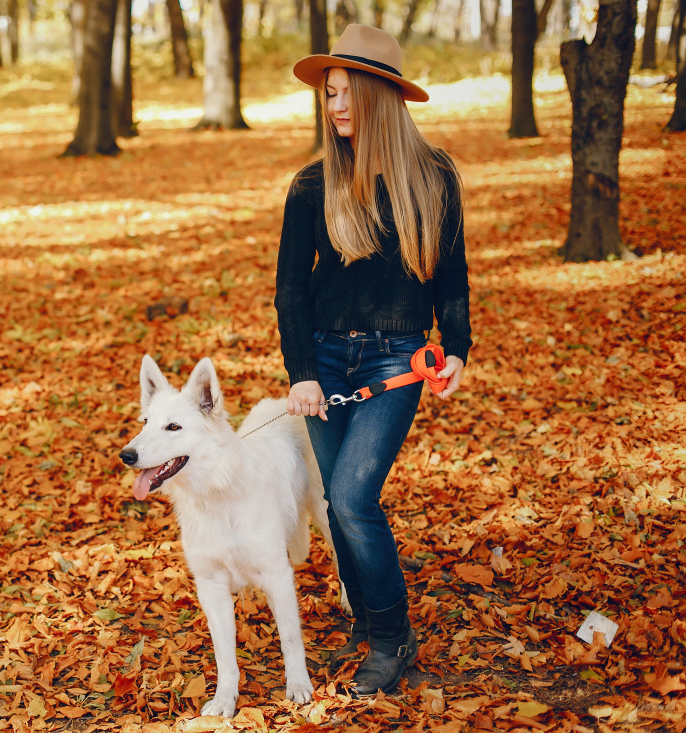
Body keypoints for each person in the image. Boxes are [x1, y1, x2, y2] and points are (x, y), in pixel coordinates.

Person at [274, 24, 472, 698]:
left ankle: (393, 637)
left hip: (396, 359)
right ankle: (368, 621)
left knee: (356, 495)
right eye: (329, 95)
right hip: (325, 360)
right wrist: (301, 368)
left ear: (381, 95)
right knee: (335, 503)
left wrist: (460, 348)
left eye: (345, 93)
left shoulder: (433, 175)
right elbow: (290, 287)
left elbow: (452, 278)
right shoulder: (311, 185)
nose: (334, 107)